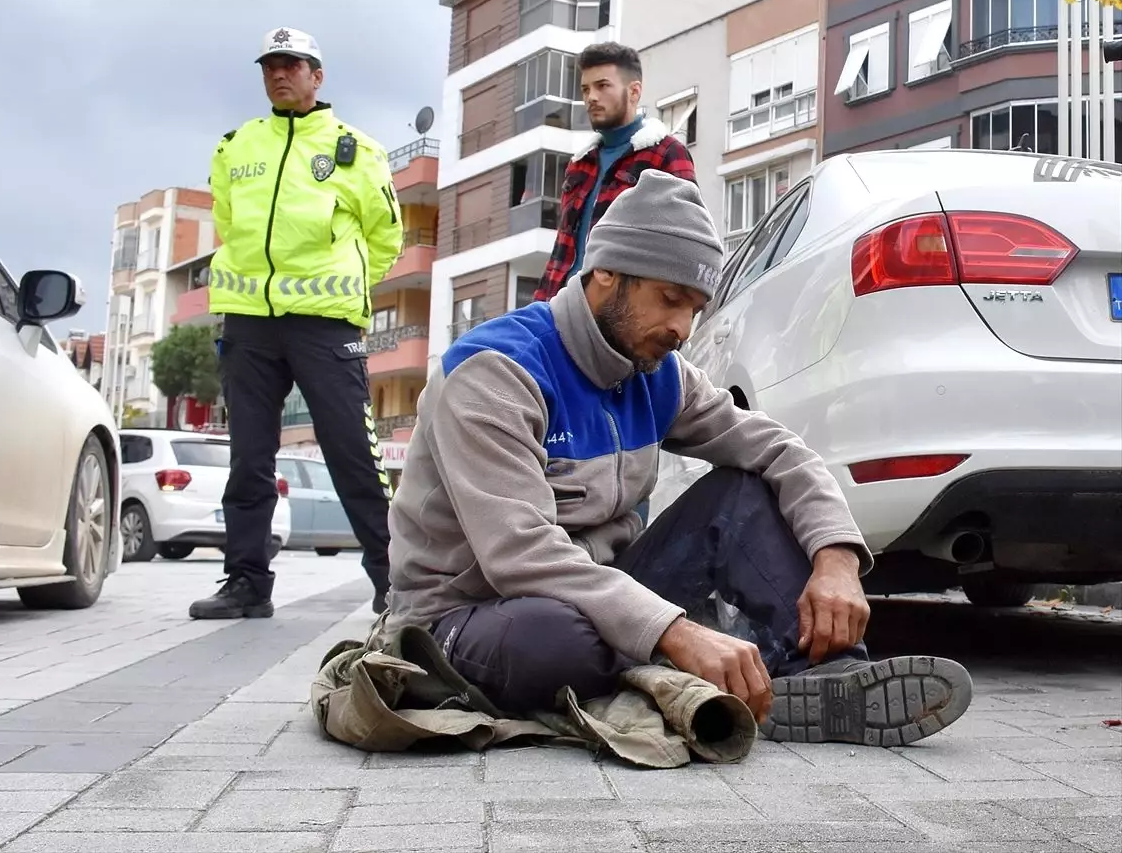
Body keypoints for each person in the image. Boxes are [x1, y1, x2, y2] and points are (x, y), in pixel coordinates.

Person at [384, 169, 973, 745]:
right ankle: (683, 667)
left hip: (598, 595)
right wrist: (674, 629)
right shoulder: (497, 372)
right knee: (556, 640)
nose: (681, 328)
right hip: (466, 613)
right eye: (669, 299)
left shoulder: (659, 375)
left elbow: (780, 450)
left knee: (743, 491)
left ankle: (826, 675)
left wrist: (837, 558)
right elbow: (519, 555)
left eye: (694, 308)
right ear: (606, 273)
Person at [189, 27, 401, 620]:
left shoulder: (355, 149)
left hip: (326, 325)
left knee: (354, 454)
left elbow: (387, 236)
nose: (280, 74)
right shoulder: (236, 145)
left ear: (317, 75)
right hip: (250, 321)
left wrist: (346, 282)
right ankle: (246, 583)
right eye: (271, 67)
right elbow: (228, 226)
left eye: (293, 65)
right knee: (248, 458)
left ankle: (394, 582)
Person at [533, 42, 697, 304]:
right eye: (585, 89)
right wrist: (540, 305)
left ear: (634, 92)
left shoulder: (666, 153)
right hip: (563, 307)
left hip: (621, 312)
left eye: (602, 86)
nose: (591, 97)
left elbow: (685, 244)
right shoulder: (580, 164)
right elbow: (562, 250)